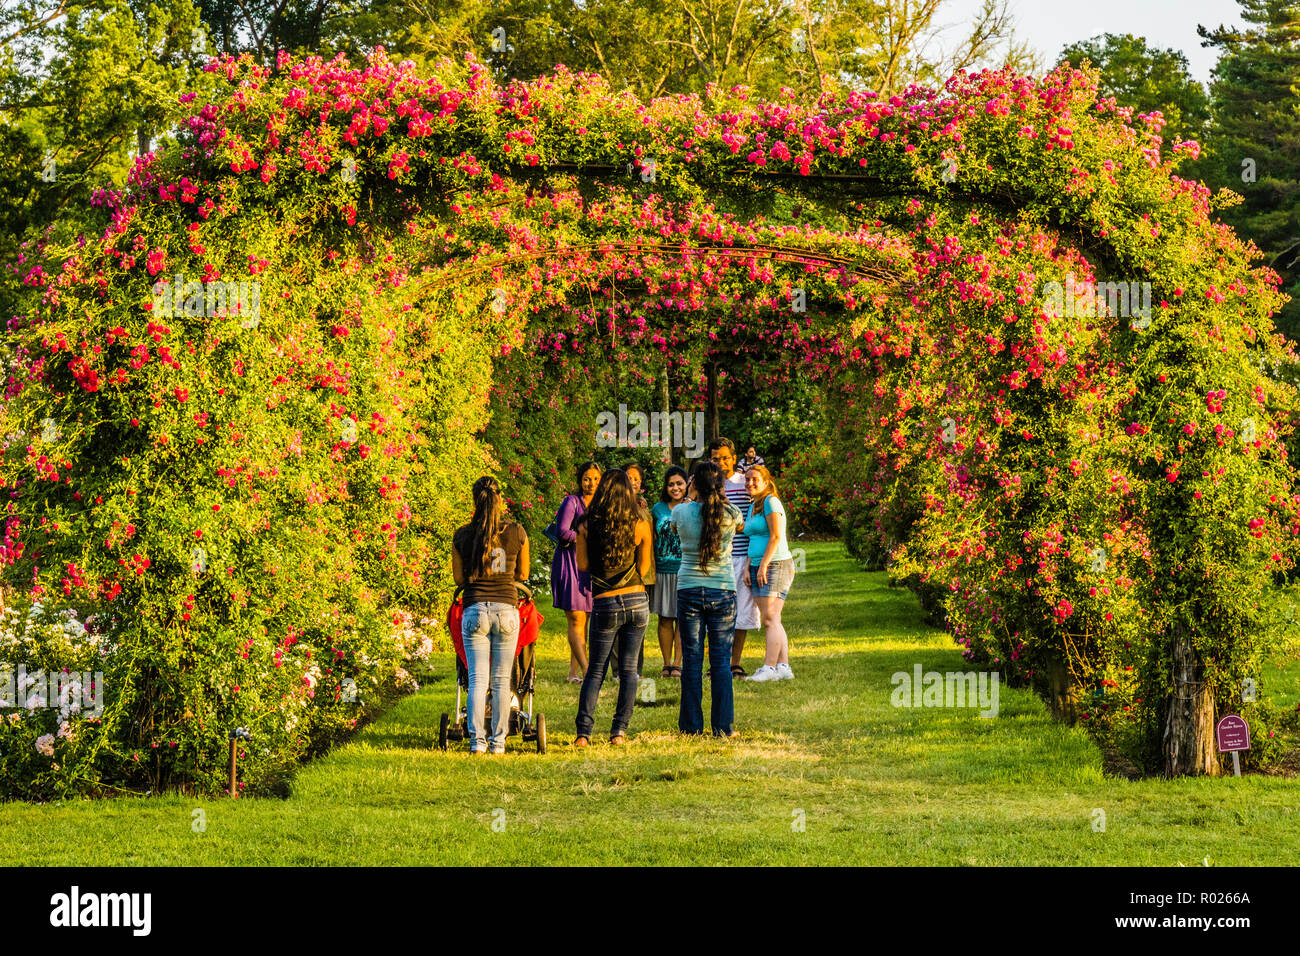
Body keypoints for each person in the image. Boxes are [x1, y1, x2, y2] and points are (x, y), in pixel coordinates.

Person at [573, 469, 653, 747]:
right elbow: (644, 568)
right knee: (629, 670)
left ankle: (584, 733)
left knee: (596, 669)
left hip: (605, 601)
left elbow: (582, 565)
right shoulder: (639, 525)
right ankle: (619, 731)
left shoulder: (585, 525)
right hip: (636, 599)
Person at [451, 476, 529, 754]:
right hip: (506, 610)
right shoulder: (517, 532)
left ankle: (477, 743)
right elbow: (523, 574)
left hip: (474, 611)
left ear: (476, 501)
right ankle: (498, 743)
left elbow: (459, 578)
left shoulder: (462, 535)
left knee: (477, 680)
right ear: (500, 500)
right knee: (500, 680)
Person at [671, 460, 745, 737]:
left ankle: (691, 727)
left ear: (694, 484)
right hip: (723, 589)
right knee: (721, 661)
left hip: (688, 587)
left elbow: (673, 529)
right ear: (721, 485)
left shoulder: (681, 512)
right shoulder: (731, 513)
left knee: (691, 659)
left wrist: (691, 497)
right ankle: (723, 726)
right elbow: (740, 524)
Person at [707, 437, 759, 679]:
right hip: (715, 558)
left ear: (733, 458)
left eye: (725, 458)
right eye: (716, 459)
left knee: (741, 611)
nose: (721, 463)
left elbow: (754, 515)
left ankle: (735, 662)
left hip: (741, 555)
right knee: (715, 612)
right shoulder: (706, 484)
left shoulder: (744, 483)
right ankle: (717, 662)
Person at [742, 464, 796, 682]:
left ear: (766, 482)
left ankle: (769, 668)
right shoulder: (753, 505)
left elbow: (775, 536)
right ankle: (783, 667)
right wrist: (748, 565)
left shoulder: (770, 502)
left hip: (775, 564)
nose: (750, 483)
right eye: (747, 479)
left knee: (769, 618)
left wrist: (763, 565)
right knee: (774, 618)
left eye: (754, 479)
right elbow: (753, 538)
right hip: (757, 564)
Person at [551, 461, 601, 683]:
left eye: (596, 479)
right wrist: (585, 538)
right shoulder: (572, 501)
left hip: (590, 566)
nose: (591, 483)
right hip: (570, 562)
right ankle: (588, 670)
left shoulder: (601, 504)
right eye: (587, 479)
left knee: (586, 620)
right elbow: (562, 530)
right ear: (580, 480)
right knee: (576, 619)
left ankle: (573, 673)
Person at [609, 461, 653, 681]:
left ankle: (635, 670)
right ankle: (618, 671)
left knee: (637, 626)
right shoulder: (613, 506)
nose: (633, 482)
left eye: (637, 478)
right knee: (616, 626)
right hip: (618, 575)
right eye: (629, 477)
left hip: (641, 574)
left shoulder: (644, 508)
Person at [650, 465, 687, 678]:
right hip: (663, 569)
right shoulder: (658, 509)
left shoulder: (691, 507)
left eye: (679, 483)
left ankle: (678, 664)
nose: (675, 487)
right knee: (665, 618)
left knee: (682, 618)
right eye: (671, 484)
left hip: (685, 569)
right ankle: (666, 663)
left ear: (686, 485)